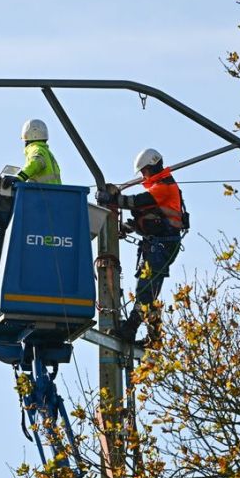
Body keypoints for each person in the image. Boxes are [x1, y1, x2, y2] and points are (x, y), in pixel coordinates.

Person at [95, 148, 187, 346]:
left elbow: (135, 202)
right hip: (157, 244)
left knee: (145, 288)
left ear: (152, 167)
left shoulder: (164, 187)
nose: (144, 176)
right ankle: (155, 337)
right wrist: (128, 228)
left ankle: (130, 329)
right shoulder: (162, 188)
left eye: (145, 171)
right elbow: (149, 216)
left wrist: (110, 199)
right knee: (150, 291)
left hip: (162, 245)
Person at [7, 119, 62, 185]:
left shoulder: (35, 149)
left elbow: (35, 162)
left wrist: (20, 177)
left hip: (40, 193)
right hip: (55, 193)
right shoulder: (48, 153)